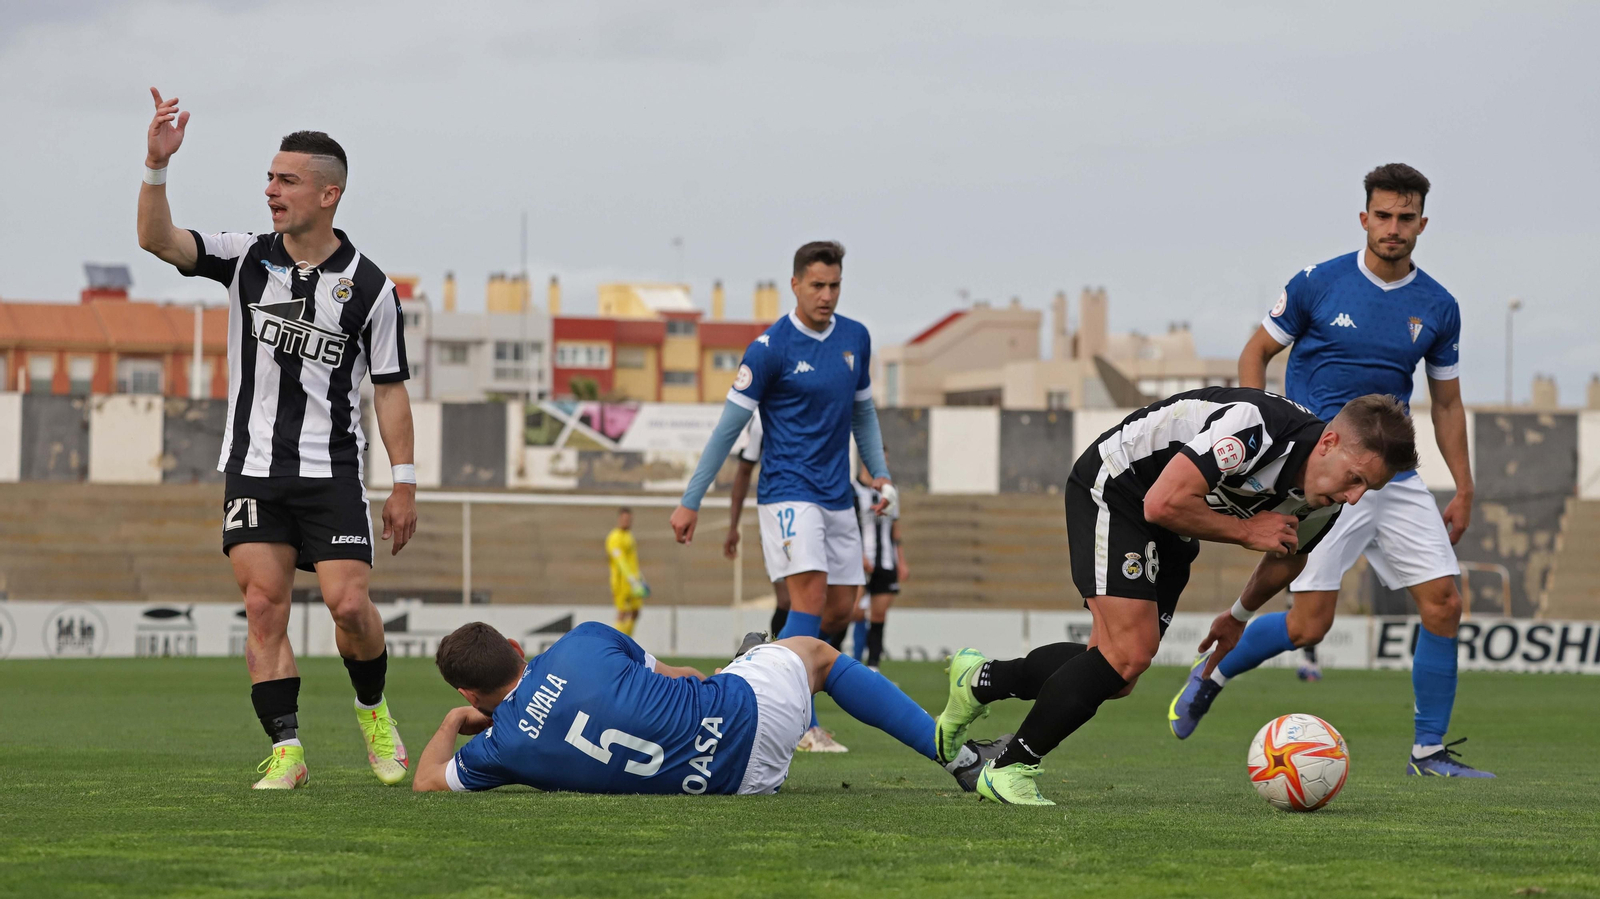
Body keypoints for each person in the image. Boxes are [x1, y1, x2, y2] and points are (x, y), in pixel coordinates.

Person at [938, 389, 1417, 805]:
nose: (1355, 498)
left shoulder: (1323, 502)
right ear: (1328, 443)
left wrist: (1238, 616)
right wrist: (1247, 530)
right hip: (1119, 486)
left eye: (1368, 490)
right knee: (1127, 654)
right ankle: (1009, 768)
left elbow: (1287, 557)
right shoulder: (1256, 428)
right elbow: (1161, 502)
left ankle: (979, 680)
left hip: (1171, 520)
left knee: (1116, 675)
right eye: (1355, 478)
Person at [1168, 163, 1491, 778]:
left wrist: (1465, 486)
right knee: (1310, 625)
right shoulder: (1317, 283)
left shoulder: (1438, 306)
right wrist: (1255, 428)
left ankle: (1428, 751)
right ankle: (1210, 673)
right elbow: (1257, 351)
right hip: (1318, 477)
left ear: (1422, 224)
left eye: (1405, 217)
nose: (1393, 227)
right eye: (1383, 215)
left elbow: (1447, 404)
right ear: (1364, 217)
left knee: (1445, 603)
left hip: (1393, 478)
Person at [136, 88, 417, 790]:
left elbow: (389, 389)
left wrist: (405, 481)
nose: (270, 191)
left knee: (349, 606)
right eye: (269, 178)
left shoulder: (372, 288)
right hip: (254, 468)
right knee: (263, 606)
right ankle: (287, 751)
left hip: (333, 472)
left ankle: (373, 709)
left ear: (329, 194)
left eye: (286, 180)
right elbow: (158, 240)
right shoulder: (246, 258)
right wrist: (156, 165)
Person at [671, 241, 894, 754]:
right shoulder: (769, 348)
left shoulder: (855, 338)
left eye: (834, 285)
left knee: (842, 610)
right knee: (808, 603)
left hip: (837, 494)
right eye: (817, 285)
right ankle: (802, 726)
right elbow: (728, 430)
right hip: (788, 492)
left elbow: (863, 413)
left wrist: (879, 474)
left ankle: (750, 673)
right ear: (794, 284)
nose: (827, 295)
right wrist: (691, 499)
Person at [411, 622, 1009, 795]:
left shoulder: (501, 748)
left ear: (469, 695)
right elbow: (682, 677)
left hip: (738, 784)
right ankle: (953, 755)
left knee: (726, 681)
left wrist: (453, 724)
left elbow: (427, 781)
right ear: (516, 648)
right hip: (749, 716)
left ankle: (748, 661)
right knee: (817, 656)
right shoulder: (583, 640)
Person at [724, 416, 792, 639]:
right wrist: (733, 527)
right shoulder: (762, 420)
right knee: (787, 600)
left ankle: (818, 655)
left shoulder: (817, 410)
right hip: (776, 521)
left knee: (822, 602)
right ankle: (779, 654)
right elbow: (744, 471)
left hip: (814, 513)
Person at [854, 455, 907, 670]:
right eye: (878, 458)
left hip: (885, 562)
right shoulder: (852, 489)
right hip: (857, 563)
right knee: (850, 613)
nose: (883, 464)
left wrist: (901, 561)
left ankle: (873, 668)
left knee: (878, 616)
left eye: (885, 460)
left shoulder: (891, 491)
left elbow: (895, 528)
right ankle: (837, 659)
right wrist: (858, 555)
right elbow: (845, 526)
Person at [606, 508, 648, 637]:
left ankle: (628, 640)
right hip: (621, 581)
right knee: (622, 612)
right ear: (619, 519)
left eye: (629, 519)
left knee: (635, 612)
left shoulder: (629, 536)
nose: (627, 522)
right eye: (624, 519)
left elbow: (632, 560)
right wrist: (630, 578)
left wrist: (640, 577)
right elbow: (620, 560)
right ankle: (616, 642)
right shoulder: (614, 537)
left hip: (634, 580)